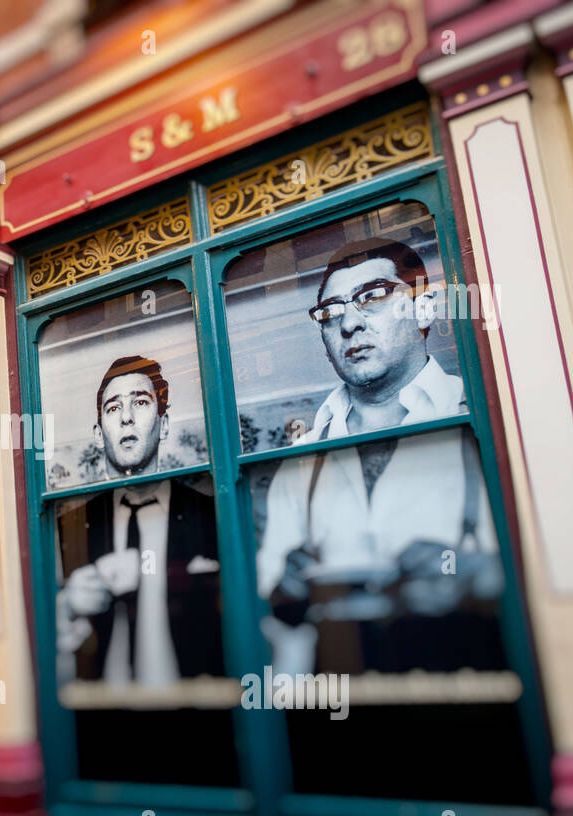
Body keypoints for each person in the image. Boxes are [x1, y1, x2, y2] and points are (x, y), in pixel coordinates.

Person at [255, 238, 501, 669]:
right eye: (330, 313)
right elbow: (267, 625)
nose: (348, 323)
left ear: (424, 308)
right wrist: (283, 595)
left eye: (372, 298)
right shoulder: (303, 458)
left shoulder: (483, 419)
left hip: (478, 701)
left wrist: (480, 577)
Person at [56, 355, 221, 686]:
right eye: (113, 408)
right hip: (99, 721)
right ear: (97, 431)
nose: (127, 418)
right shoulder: (68, 526)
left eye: (141, 403)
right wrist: (66, 606)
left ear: (165, 424)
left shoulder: (211, 513)